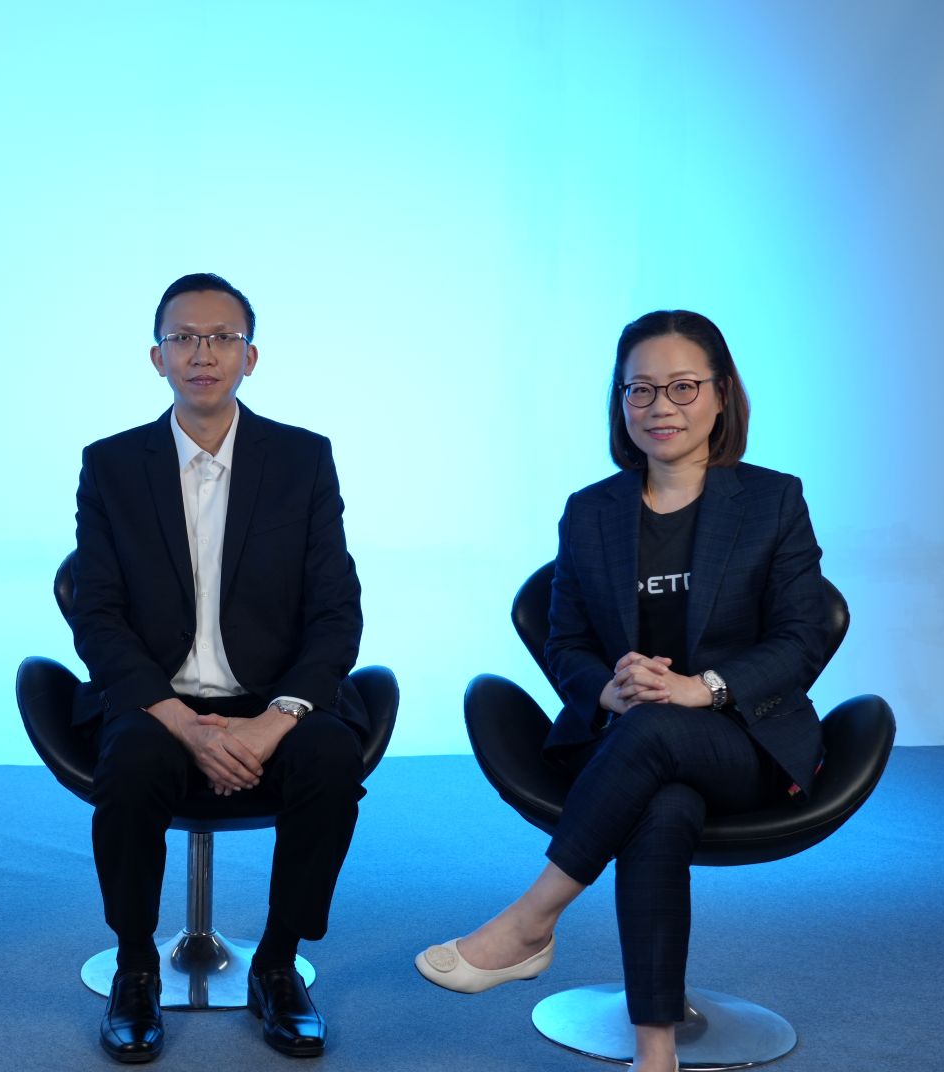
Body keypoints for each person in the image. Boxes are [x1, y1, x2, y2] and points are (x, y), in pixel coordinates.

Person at [415, 310, 828, 1072]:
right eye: (640, 389)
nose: (660, 406)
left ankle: (533, 918)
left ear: (721, 394)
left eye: (682, 387)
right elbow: (565, 642)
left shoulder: (772, 501)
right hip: (634, 747)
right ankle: (655, 1050)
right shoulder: (591, 511)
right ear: (621, 401)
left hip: (745, 745)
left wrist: (702, 688)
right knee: (661, 804)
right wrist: (608, 690)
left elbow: (802, 637)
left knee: (657, 729)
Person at [70, 272, 369, 1062]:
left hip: (270, 699)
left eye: (222, 338)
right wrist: (182, 724)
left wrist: (272, 723)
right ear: (157, 357)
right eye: (184, 338)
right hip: (157, 703)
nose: (203, 353)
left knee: (330, 760)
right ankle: (136, 965)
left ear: (250, 356)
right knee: (132, 763)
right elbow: (96, 613)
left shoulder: (303, 459)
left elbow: (336, 611)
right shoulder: (111, 465)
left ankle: (277, 962)